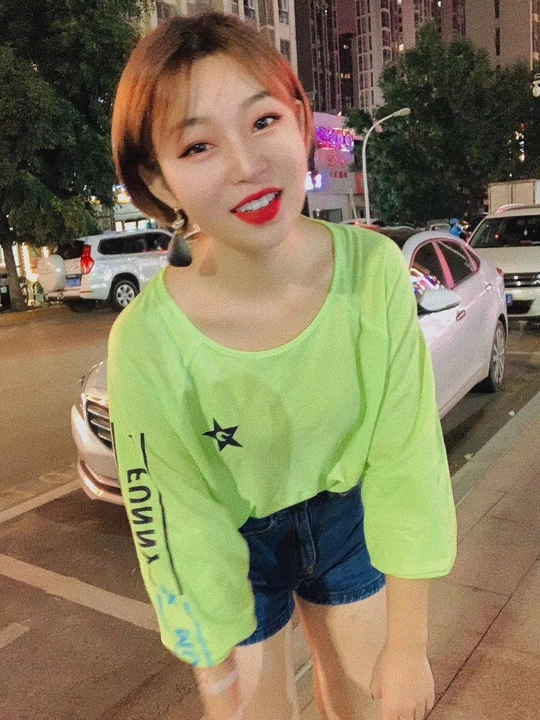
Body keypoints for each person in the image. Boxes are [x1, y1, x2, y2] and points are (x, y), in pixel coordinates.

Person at [109, 13, 457, 720]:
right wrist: (214, 675)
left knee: (365, 702)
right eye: (198, 144)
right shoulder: (146, 343)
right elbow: (176, 523)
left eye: (263, 120)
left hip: (344, 518)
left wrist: (409, 644)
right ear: (159, 179)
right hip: (234, 544)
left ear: (300, 122)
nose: (246, 165)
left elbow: (406, 457)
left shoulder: (373, 273)